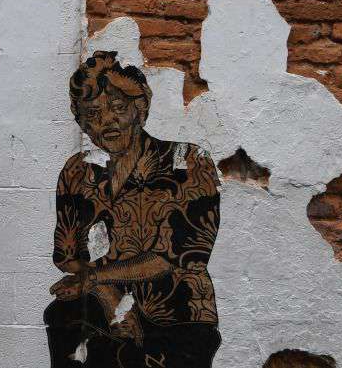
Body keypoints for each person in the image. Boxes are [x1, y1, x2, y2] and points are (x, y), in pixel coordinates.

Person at [45, 51, 222, 368]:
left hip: (179, 316)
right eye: (93, 114)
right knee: (63, 315)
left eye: (117, 108)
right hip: (106, 309)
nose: (106, 121)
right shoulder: (78, 172)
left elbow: (177, 255)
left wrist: (97, 279)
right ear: (83, 124)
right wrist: (106, 294)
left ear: (139, 109)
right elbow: (66, 255)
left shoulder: (187, 161)